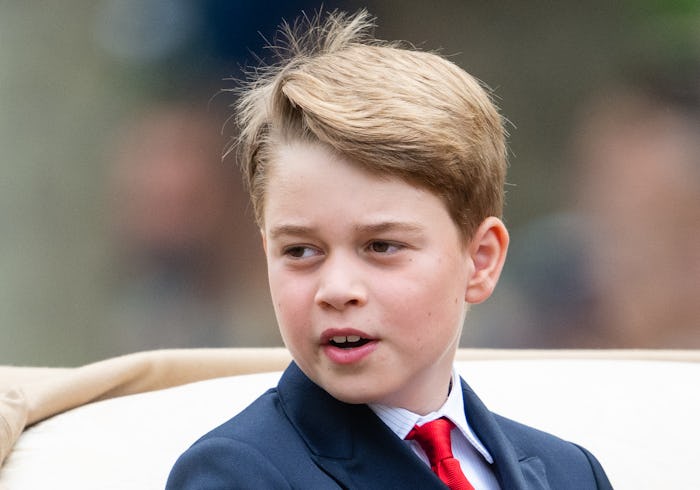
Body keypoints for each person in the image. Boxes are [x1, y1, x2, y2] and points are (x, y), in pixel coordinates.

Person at [167, 10, 612, 489]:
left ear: (480, 260)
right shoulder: (236, 473)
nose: (336, 289)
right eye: (299, 251)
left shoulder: (571, 472)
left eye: (381, 246)